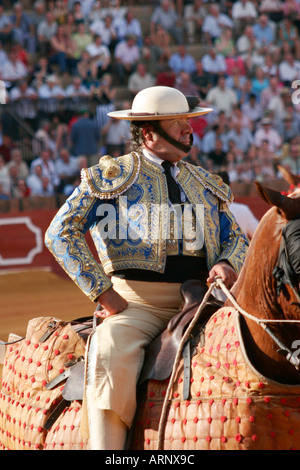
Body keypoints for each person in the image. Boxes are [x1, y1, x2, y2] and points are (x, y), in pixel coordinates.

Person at [45, 86, 248, 450]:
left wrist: (225, 262)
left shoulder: (203, 182)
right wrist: (103, 293)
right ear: (150, 133)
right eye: (179, 123)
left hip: (205, 301)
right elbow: (60, 233)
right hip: (136, 306)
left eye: (189, 122)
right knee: (109, 349)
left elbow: (237, 238)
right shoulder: (110, 176)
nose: (190, 130)